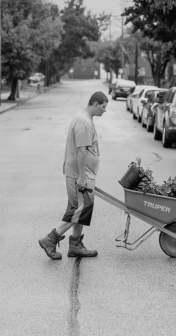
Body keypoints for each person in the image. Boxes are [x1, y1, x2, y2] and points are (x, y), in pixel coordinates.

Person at [38, 91, 108, 259]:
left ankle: (75, 245)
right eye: (103, 107)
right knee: (80, 209)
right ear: (96, 104)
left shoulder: (85, 119)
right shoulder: (83, 122)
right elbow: (81, 151)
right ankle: (50, 239)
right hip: (79, 174)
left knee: (81, 208)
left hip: (83, 173)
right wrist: (82, 177)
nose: (105, 110)